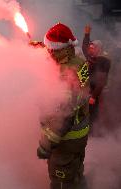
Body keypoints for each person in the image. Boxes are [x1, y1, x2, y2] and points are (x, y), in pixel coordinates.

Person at [36, 23, 90, 189]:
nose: (48, 51)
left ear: (57, 49)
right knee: (75, 167)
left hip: (65, 139)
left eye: (50, 48)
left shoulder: (67, 74)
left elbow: (64, 114)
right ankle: (79, 183)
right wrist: (40, 46)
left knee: (61, 180)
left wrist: (45, 145)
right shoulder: (79, 61)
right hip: (80, 134)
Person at [82, 25, 111, 124]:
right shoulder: (91, 57)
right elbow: (84, 47)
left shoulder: (103, 61)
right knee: (87, 112)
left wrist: (94, 96)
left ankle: (95, 133)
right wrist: (87, 34)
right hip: (89, 90)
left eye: (92, 48)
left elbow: (101, 82)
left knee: (95, 112)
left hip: (98, 91)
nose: (89, 50)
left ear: (98, 49)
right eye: (90, 48)